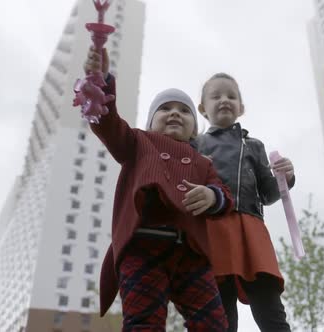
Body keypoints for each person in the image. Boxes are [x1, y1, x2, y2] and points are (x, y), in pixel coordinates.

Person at [82, 48, 232, 331]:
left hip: (191, 254)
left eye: (184, 110)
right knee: (144, 323)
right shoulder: (137, 143)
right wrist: (100, 79)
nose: (174, 113)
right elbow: (107, 122)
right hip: (142, 249)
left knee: (214, 324)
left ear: (194, 131)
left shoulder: (202, 163)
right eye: (165, 109)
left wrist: (213, 196)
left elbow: (226, 196)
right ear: (149, 123)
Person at [194, 72, 295, 332]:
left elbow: (269, 194)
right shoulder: (195, 145)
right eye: (216, 96)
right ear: (203, 109)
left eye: (231, 96)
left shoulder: (254, 146)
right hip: (212, 232)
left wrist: (285, 177)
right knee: (219, 316)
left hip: (252, 232)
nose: (224, 100)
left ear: (241, 107)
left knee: (271, 311)